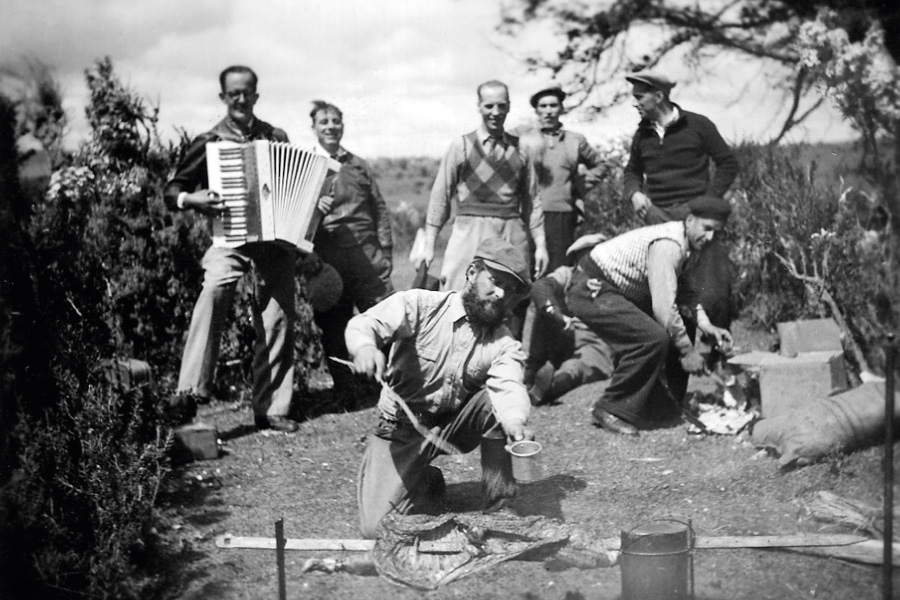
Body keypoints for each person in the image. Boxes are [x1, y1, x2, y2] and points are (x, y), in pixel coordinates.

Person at [347, 238, 535, 538]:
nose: (500, 294)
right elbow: (364, 324)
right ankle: (424, 481)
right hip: (400, 429)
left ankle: (501, 510)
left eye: (509, 290)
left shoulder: (503, 341)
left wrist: (515, 422)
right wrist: (365, 348)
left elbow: (508, 384)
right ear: (473, 272)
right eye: (495, 281)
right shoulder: (421, 305)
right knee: (376, 530)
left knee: (495, 406)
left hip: (451, 426)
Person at [163, 65, 300, 432]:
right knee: (213, 292)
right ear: (223, 97)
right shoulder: (208, 140)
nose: (241, 99)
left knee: (278, 316)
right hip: (229, 239)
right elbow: (172, 190)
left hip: (273, 242)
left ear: (256, 94)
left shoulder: (276, 136)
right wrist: (193, 198)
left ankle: (271, 409)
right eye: (233, 93)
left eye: (247, 92)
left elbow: (289, 184)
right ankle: (190, 393)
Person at [566, 196, 734, 437]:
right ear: (690, 220)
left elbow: (687, 294)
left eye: (716, 233)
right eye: (706, 229)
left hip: (614, 290)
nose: (710, 238)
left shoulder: (692, 246)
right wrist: (688, 351)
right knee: (652, 338)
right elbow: (664, 309)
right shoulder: (670, 245)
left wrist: (708, 327)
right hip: (589, 287)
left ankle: (654, 406)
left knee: (668, 330)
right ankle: (611, 409)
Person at [623, 71, 739, 333]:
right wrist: (635, 193)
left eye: (640, 97)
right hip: (658, 219)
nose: (635, 103)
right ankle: (678, 358)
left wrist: (706, 204)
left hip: (695, 218)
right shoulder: (642, 134)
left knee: (713, 290)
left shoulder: (698, 125)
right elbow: (631, 171)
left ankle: (720, 357)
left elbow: (728, 163)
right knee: (667, 292)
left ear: (659, 96)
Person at [423, 80, 549, 294]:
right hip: (469, 231)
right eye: (489, 106)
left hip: (510, 231)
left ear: (509, 106)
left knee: (509, 299)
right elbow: (440, 196)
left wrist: (541, 244)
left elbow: (532, 200)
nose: (495, 112)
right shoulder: (461, 146)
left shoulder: (522, 149)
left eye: (501, 106)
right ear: (479, 106)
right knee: (460, 293)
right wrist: (429, 243)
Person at [308, 100, 394, 406]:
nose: (330, 126)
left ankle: (388, 385)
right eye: (323, 122)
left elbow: (379, 209)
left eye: (335, 121)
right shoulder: (306, 166)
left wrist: (385, 250)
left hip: (366, 254)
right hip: (328, 255)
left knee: (383, 318)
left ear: (342, 126)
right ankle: (344, 389)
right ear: (314, 128)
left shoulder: (358, 165)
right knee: (333, 323)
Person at [525, 233, 613, 405]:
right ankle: (530, 371)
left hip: (592, 344)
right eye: (584, 258)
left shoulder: (614, 282)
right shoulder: (567, 274)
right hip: (562, 333)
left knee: (576, 368)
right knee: (540, 303)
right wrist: (556, 313)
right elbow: (541, 287)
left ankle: (548, 387)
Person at [523, 86, 604, 271]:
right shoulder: (524, 139)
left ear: (561, 109)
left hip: (562, 213)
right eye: (543, 106)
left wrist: (580, 184)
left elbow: (602, 165)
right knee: (526, 270)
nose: (548, 111)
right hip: (527, 214)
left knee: (558, 270)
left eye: (553, 105)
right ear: (536, 110)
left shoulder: (575, 140)